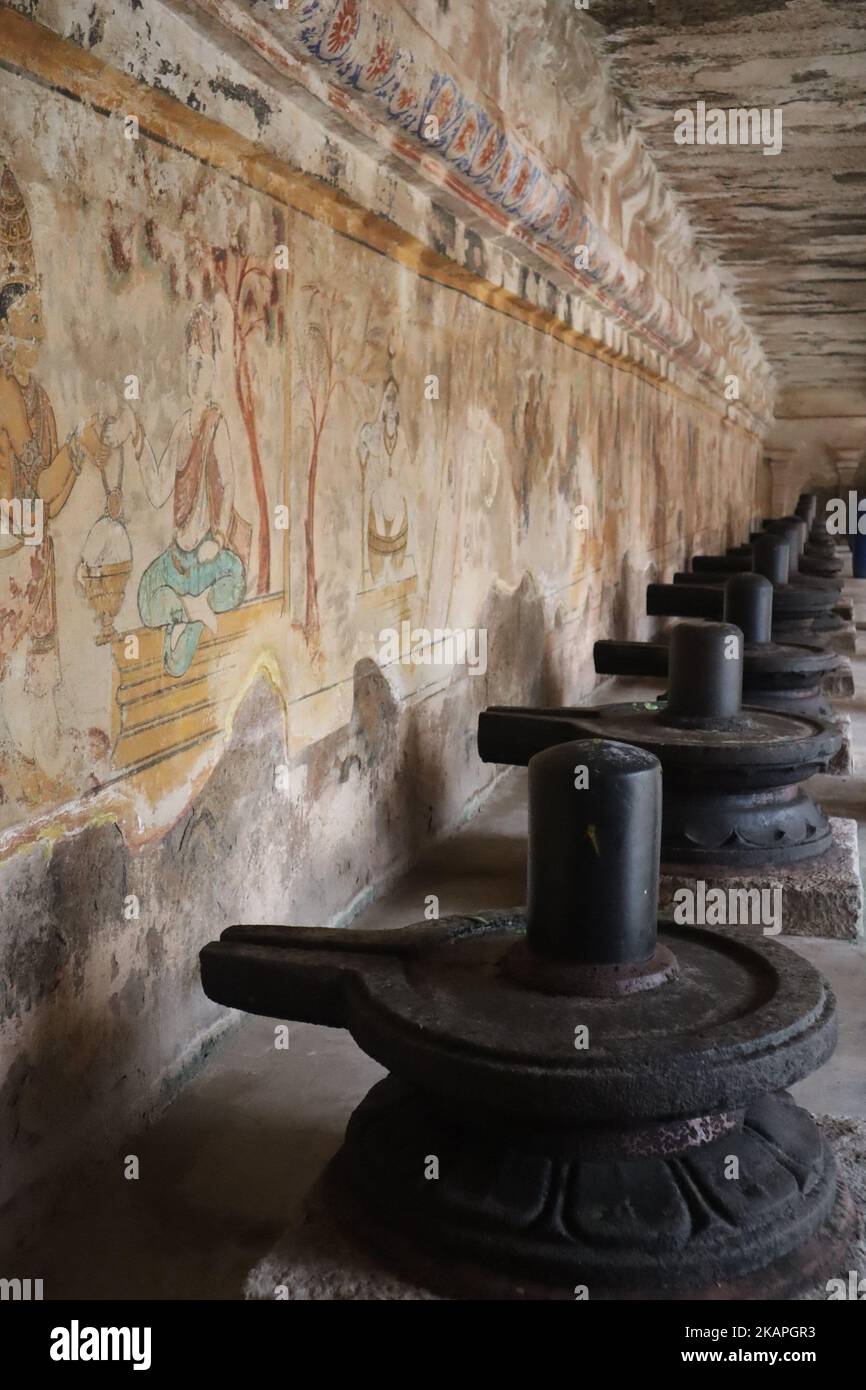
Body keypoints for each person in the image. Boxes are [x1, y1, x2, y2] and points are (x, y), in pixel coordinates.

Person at [104, 305, 249, 677]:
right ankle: (194, 610)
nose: (194, 371)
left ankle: (190, 609)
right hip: (177, 560)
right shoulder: (182, 426)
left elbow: (229, 484)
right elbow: (157, 490)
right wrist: (136, 435)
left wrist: (217, 536)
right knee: (146, 599)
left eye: (201, 361)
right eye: (189, 361)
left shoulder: (216, 425)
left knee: (235, 582)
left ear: (214, 367)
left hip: (207, 558)